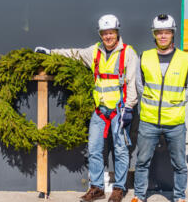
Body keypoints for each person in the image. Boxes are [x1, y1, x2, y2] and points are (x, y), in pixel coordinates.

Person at [35, 14, 138, 202]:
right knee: (94, 149)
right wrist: (50, 53)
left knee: (121, 151)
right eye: (104, 33)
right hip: (99, 111)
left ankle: (119, 189)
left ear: (117, 32)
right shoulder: (95, 51)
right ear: (100, 35)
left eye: (111, 33)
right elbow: (73, 53)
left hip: (119, 111)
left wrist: (129, 109)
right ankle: (97, 188)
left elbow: (133, 83)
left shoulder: (128, 53)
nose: (108, 37)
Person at [131, 14, 188, 202]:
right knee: (142, 161)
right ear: (154, 35)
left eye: (167, 32)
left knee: (180, 164)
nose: (163, 36)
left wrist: (177, 102)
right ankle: (139, 196)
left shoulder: (185, 59)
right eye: (159, 32)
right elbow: (139, 85)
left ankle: (180, 197)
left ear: (173, 34)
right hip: (149, 121)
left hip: (174, 122)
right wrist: (151, 103)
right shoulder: (145, 57)